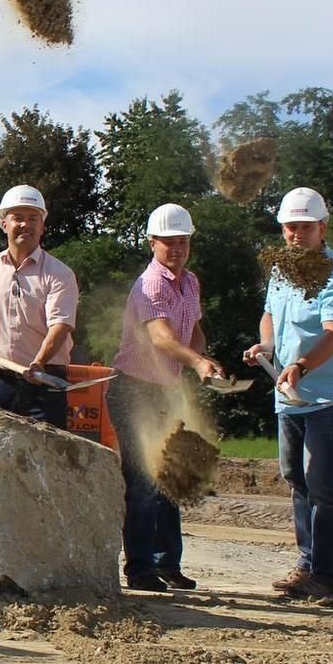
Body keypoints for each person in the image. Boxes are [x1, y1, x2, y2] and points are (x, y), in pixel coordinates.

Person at [243, 187, 333, 601]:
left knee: (320, 482)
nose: (296, 234)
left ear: (322, 228)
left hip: (327, 394)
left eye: (305, 227)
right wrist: (268, 348)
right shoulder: (281, 270)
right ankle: (307, 563)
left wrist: (302, 365)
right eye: (290, 227)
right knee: (295, 476)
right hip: (288, 393)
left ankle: (326, 576)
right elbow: (270, 315)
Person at [108, 203, 227, 592]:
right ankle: (140, 568)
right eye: (167, 242)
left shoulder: (189, 282)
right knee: (143, 478)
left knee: (172, 473)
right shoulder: (151, 284)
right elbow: (161, 337)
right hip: (135, 389)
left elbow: (192, 331)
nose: (175, 248)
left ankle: (166, 562)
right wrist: (196, 364)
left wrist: (204, 358)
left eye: (182, 241)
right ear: (151, 243)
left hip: (163, 388)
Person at [0, 184, 78, 427]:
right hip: (0, 380)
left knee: (46, 453)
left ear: (42, 226)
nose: (25, 225)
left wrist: (39, 362)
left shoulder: (59, 274)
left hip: (44, 379)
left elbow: (60, 326)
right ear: (4, 223)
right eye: (17, 218)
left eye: (33, 218)